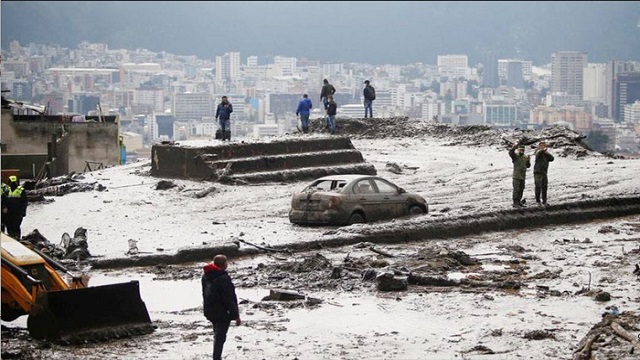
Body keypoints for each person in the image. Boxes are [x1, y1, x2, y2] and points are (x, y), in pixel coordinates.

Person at [202, 254, 241, 360]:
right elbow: (229, 299)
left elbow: (204, 294)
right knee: (220, 337)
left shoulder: (206, 276)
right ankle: (216, 357)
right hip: (222, 313)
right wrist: (236, 316)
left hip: (210, 310)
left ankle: (216, 356)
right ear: (224, 265)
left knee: (217, 334)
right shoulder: (223, 278)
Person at [508, 144, 530, 208]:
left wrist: (528, 160)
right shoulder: (515, 156)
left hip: (523, 176)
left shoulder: (525, 157)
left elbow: (528, 166)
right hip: (516, 176)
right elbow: (510, 153)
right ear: (518, 150)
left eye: (523, 150)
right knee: (516, 190)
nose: (521, 151)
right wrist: (513, 147)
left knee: (521, 189)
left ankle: (519, 201)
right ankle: (515, 203)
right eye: (520, 150)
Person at [533, 141, 554, 206]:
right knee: (538, 186)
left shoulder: (546, 154)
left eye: (544, 145)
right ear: (539, 146)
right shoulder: (537, 152)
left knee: (544, 186)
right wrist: (542, 150)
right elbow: (538, 153)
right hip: (538, 172)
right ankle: (538, 201)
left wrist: (547, 153)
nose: (543, 147)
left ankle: (544, 201)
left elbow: (552, 159)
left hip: (544, 172)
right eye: (541, 145)